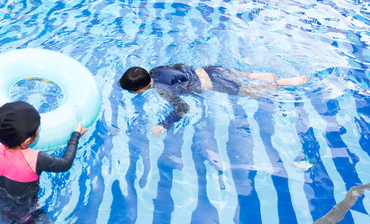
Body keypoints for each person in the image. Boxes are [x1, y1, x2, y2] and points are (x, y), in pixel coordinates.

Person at [119, 64, 307, 137]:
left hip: (215, 82)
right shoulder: (155, 70)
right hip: (212, 69)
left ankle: (285, 83)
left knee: (255, 94)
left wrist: (164, 125)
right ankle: (255, 74)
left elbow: (182, 108)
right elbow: (181, 68)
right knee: (240, 75)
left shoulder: (161, 90)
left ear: (141, 89)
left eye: (133, 91)